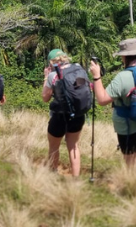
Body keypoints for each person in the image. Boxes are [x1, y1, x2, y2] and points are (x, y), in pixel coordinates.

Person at [89, 38, 136, 182]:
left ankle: (134, 190)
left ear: (124, 57)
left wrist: (96, 76)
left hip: (128, 125)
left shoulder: (123, 77)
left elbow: (102, 100)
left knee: (131, 161)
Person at [42, 49, 87, 177]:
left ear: (51, 62)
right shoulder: (79, 69)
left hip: (59, 116)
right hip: (78, 114)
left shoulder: (52, 75)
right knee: (73, 146)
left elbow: (45, 98)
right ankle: (76, 177)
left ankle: (52, 174)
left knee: (54, 146)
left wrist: (46, 77)